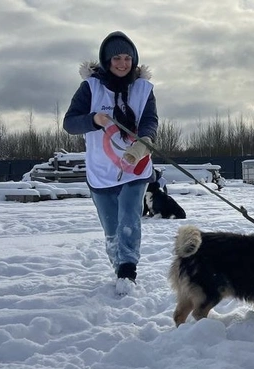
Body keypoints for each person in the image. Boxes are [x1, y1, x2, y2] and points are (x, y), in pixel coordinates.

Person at [63, 31, 159, 295]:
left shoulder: (143, 89)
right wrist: (93, 120)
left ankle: (128, 270)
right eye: (116, 57)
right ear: (107, 60)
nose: (122, 63)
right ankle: (118, 264)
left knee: (129, 216)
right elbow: (69, 122)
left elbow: (150, 119)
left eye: (127, 57)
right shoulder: (90, 88)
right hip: (101, 170)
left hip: (135, 166)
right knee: (111, 225)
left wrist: (145, 140)